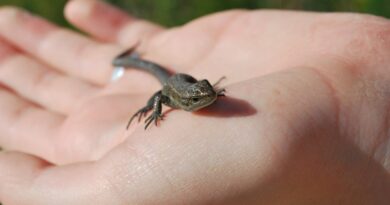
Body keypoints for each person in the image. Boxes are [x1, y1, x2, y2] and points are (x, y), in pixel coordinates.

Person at [0, 0, 389, 204]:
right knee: (152, 74)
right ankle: (126, 60)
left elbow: (204, 89)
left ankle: (129, 58)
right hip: (170, 85)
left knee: (171, 75)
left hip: (181, 81)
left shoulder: (201, 95)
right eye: (203, 97)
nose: (209, 99)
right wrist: (152, 109)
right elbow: (164, 92)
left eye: (208, 95)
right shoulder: (180, 98)